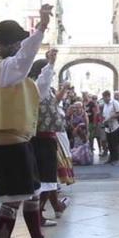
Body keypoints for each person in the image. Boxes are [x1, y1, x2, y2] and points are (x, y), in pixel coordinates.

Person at [0, 7, 64, 238]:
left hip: (19, 141)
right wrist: (40, 28)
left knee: (31, 194)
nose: (21, 46)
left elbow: (39, 90)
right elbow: (23, 61)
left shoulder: (13, 74)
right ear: (9, 44)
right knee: (12, 199)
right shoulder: (3, 68)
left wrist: (50, 67)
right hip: (8, 143)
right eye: (18, 41)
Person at [29, 53, 70, 226]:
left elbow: (52, 102)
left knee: (48, 180)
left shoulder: (37, 88)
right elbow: (44, 80)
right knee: (46, 180)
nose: (52, 77)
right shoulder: (38, 86)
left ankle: (52, 208)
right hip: (43, 138)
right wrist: (51, 64)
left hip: (45, 137)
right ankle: (38, 215)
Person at [100, 90, 119, 165]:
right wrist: (104, 120)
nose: (103, 99)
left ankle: (116, 159)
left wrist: (111, 117)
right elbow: (104, 114)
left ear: (108, 96)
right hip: (108, 127)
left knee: (115, 143)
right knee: (110, 143)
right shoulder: (105, 105)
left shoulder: (114, 103)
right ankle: (111, 158)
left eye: (104, 97)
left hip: (115, 125)